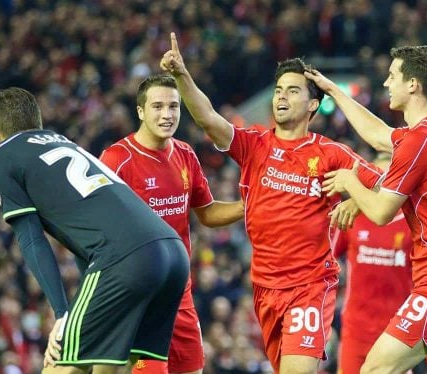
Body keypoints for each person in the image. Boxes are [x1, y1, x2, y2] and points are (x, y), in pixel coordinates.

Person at [160, 32, 384, 373]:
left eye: (292, 91)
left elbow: (386, 185)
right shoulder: (255, 145)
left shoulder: (330, 153)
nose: (281, 96)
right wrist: (182, 75)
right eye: (279, 90)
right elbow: (208, 118)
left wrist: (355, 199)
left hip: (309, 287)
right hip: (264, 287)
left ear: (312, 105)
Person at [0, 87, 189, 374]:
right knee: (137, 363)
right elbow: (88, 235)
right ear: (35, 123)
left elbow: (30, 238)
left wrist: (63, 313)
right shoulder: (63, 142)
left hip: (124, 259)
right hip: (172, 254)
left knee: (62, 365)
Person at [306, 46, 427, 373]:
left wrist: (350, 180)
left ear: (413, 84)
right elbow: (378, 136)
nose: (387, 83)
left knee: (374, 370)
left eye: (393, 76)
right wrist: (335, 91)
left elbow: (380, 213)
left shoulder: (420, 141)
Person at [99, 74, 244, 374]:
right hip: (142, 298)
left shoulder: (185, 154)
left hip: (180, 293)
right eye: (157, 106)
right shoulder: (117, 160)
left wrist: (249, 205)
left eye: (173, 106)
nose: (167, 115)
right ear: (140, 111)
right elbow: (98, 231)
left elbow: (207, 212)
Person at [332, 153, 413, 374]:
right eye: (375, 182)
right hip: (355, 330)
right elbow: (325, 261)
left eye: (387, 182)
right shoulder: (352, 217)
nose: (380, 189)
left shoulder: (412, 223)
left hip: (396, 335)